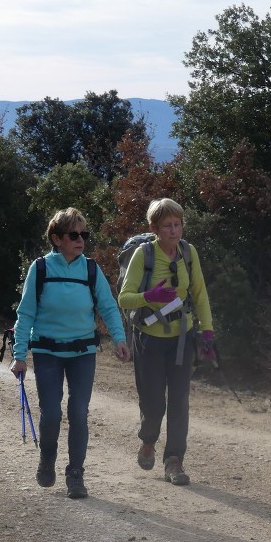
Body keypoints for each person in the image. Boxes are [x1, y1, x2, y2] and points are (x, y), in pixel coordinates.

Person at [10, 208, 131, 499]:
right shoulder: (40, 269)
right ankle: (47, 460)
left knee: (79, 412)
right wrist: (19, 354)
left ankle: (75, 474)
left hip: (82, 352)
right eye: (74, 235)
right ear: (57, 239)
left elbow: (108, 306)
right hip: (47, 351)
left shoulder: (91, 269)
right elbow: (25, 313)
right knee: (51, 412)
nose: (81, 240)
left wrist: (119, 338)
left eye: (84, 234)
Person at [118, 198, 215, 486]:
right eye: (167, 226)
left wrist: (207, 330)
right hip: (148, 339)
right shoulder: (143, 255)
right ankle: (148, 440)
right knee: (153, 404)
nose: (174, 231)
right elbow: (124, 298)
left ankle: (174, 460)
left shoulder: (188, 252)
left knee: (179, 402)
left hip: (181, 339)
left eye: (178, 224)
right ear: (155, 228)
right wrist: (150, 297)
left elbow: (199, 292)